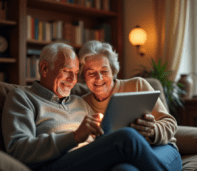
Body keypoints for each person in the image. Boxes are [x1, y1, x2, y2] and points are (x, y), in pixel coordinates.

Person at [2, 42, 181, 171]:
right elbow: (18, 149)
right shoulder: (22, 97)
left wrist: (151, 130)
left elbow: (101, 140)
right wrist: (73, 137)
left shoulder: (78, 102)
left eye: (75, 74)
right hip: (56, 163)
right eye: (66, 72)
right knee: (126, 137)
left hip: (100, 159)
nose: (72, 81)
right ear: (44, 68)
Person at [78, 40, 182, 170]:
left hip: (160, 148)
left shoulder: (137, 85)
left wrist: (152, 130)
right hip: (122, 157)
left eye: (104, 71)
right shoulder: (81, 104)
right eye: (91, 73)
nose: (98, 78)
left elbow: (170, 123)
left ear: (113, 71)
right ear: (83, 76)